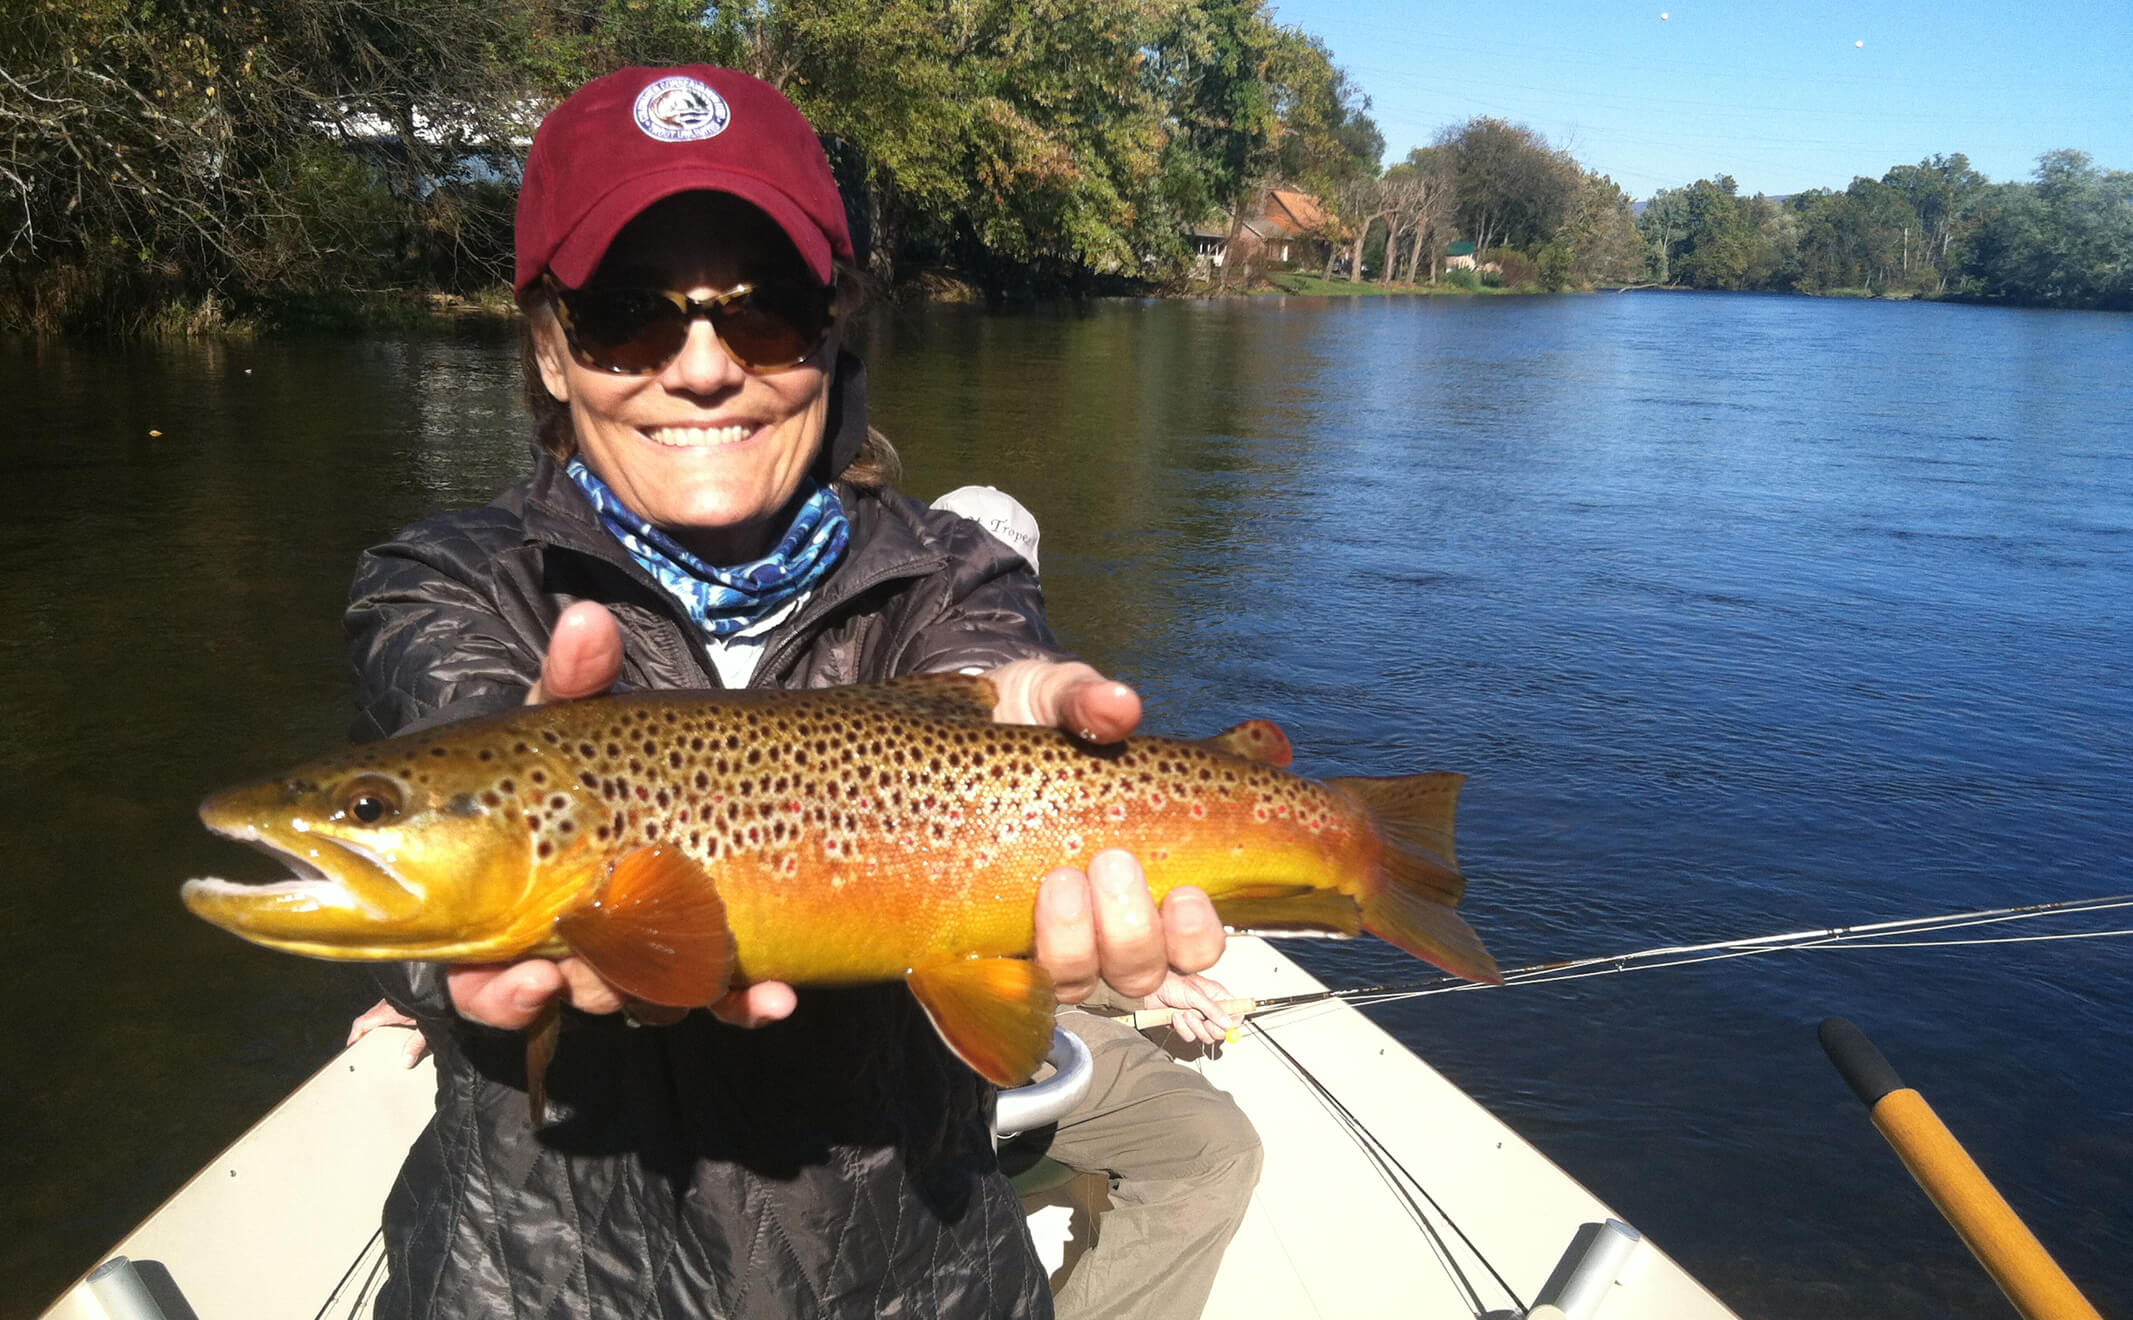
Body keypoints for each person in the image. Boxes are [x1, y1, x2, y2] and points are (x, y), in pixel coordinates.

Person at [345, 65, 1225, 1319]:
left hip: (916, 1278)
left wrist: (1026, 721)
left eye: (763, 314)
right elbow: (432, 790)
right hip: (543, 1285)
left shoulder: (952, 570)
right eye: (629, 315)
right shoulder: (442, 583)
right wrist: (494, 923)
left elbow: (986, 670)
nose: (704, 368)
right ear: (549, 348)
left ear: (833, 328)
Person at [931, 489, 1262, 1320]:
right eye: (952, 577)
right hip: (877, 1030)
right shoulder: (843, 711)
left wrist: (1142, 984)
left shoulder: (1064, 745)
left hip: (1005, 1009)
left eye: (995, 586)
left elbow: (1041, 935)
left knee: (1213, 1149)